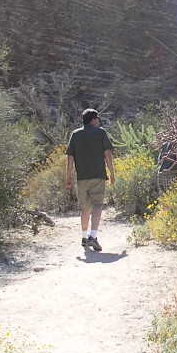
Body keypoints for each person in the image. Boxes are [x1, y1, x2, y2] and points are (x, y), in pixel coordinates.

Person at [66, 108, 116, 252]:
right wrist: (112, 173)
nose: (98, 121)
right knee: (98, 206)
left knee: (85, 207)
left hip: (81, 177)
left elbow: (70, 157)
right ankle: (93, 236)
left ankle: (83, 237)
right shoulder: (100, 133)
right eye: (97, 119)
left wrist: (68, 177)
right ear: (93, 120)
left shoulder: (75, 135)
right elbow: (107, 154)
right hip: (98, 176)